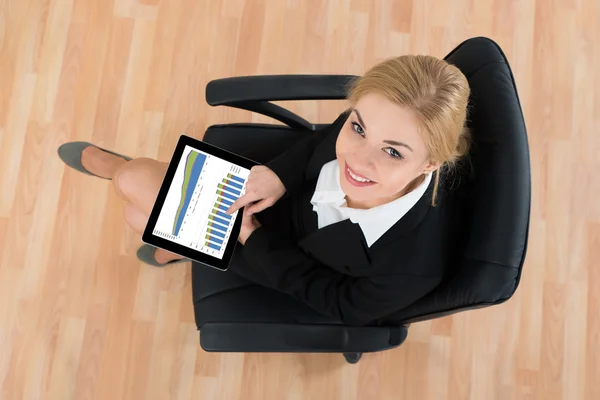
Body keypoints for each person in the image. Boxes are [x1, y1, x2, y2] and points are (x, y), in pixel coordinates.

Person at [58, 55, 471, 327]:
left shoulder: (413, 266)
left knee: (138, 209)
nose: (357, 160)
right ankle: (124, 176)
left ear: (430, 164)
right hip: (278, 189)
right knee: (138, 190)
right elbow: (319, 140)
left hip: (285, 259)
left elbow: (340, 305)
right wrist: (279, 175)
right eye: (358, 128)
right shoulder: (367, 126)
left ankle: (126, 180)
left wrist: (251, 238)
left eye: (393, 152)